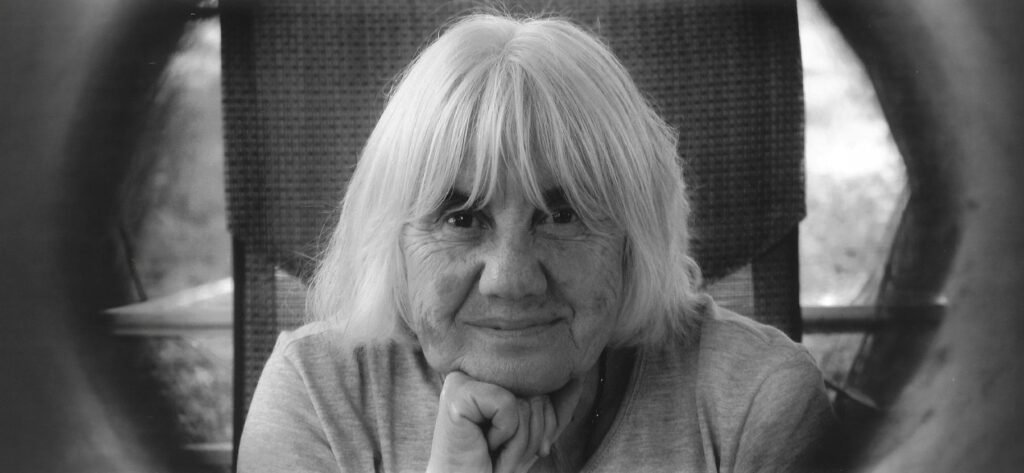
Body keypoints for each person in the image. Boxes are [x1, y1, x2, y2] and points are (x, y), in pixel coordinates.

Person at [238, 13, 835, 473]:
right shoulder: (316, 394)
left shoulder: (760, 401)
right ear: (391, 244)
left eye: (562, 214)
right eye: (462, 218)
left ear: (634, 239)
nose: (511, 278)